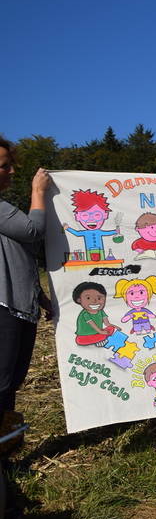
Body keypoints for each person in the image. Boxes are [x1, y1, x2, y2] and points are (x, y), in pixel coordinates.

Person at [0, 136, 51, 414]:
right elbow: (34, 230)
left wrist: (38, 296)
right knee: (3, 381)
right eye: (4, 165)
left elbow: (16, 258)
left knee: (11, 381)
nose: (11, 170)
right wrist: (38, 191)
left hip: (19, 306)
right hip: (4, 309)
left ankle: (6, 438)